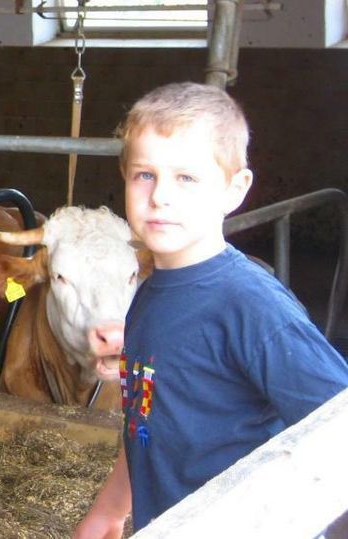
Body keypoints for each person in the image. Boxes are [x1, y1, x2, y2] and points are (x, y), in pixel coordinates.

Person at [73, 82, 348, 538]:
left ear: (234, 189)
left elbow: (337, 428)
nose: (160, 196)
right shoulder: (147, 295)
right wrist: (111, 507)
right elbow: (145, 419)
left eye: (187, 178)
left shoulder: (253, 307)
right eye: (145, 175)